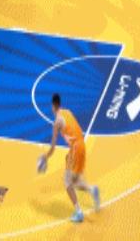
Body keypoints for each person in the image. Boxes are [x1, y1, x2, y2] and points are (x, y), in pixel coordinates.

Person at [41, 94, 100, 223]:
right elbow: (75, 130)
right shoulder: (67, 112)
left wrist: (45, 158)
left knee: (67, 183)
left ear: (53, 106)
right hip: (81, 145)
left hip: (75, 149)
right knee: (75, 181)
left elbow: (53, 147)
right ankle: (92, 190)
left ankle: (79, 212)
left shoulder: (57, 122)